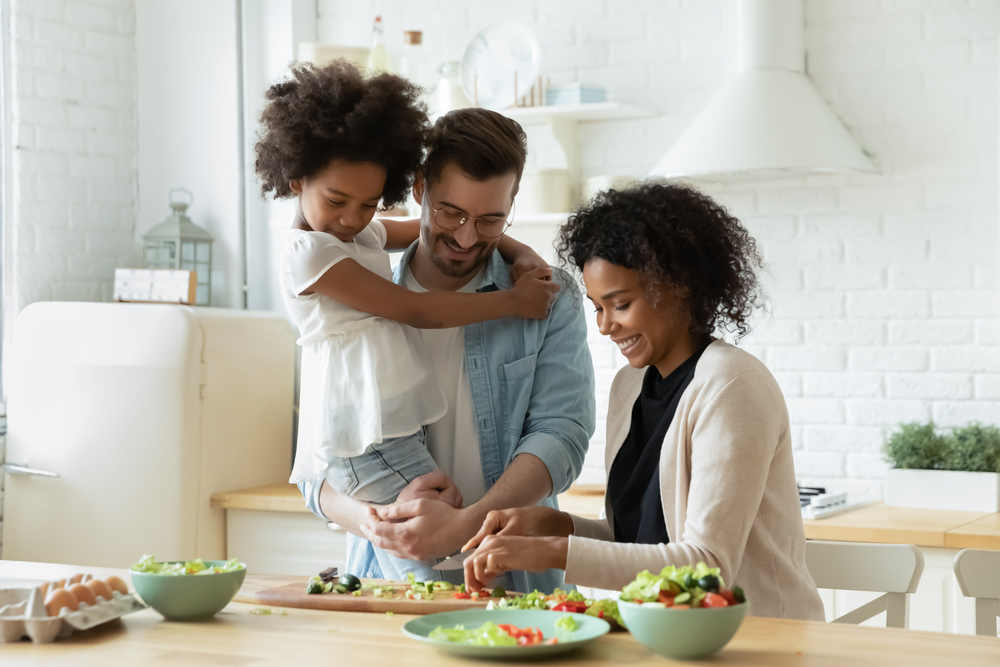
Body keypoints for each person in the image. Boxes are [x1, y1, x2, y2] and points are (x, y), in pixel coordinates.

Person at [460, 182, 826, 621]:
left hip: (758, 643)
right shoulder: (630, 386)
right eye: (598, 307)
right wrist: (553, 525)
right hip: (665, 638)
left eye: (621, 304)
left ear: (681, 285)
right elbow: (638, 540)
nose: (605, 326)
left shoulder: (732, 386)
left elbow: (706, 566)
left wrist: (554, 552)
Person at [255, 61, 560, 582]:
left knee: (436, 550)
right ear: (296, 178)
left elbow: (420, 230)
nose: (354, 217)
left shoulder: (358, 233)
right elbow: (414, 310)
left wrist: (519, 247)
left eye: (369, 202)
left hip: (389, 431)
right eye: (337, 201)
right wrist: (511, 302)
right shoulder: (309, 254)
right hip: (363, 433)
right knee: (430, 560)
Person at [297, 106, 596, 593]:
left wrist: (468, 524)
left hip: (518, 583)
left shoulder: (546, 298)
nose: (465, 237)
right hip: (383, 585)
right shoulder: (344, 298)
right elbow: (317, 465)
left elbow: (562, 435)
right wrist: (374, 522)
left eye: (490, 220)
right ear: (419, 190)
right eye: (450, 212)